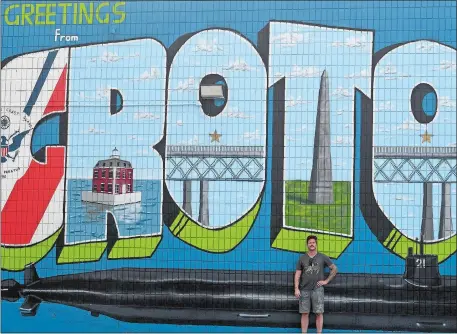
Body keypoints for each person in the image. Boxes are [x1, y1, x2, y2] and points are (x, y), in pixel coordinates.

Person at [294, 235, 338, 333]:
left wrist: (326, 281)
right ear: (307, 245)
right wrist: (296, 288)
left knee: (319, 313)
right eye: (310, 243)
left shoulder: (322, 257)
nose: (312, 244)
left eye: (313, 242)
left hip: (318, 290)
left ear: (316, 244)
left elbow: (334, 268)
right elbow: (297, 274)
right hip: (304, 290)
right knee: (304, 313)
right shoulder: (302, 258)